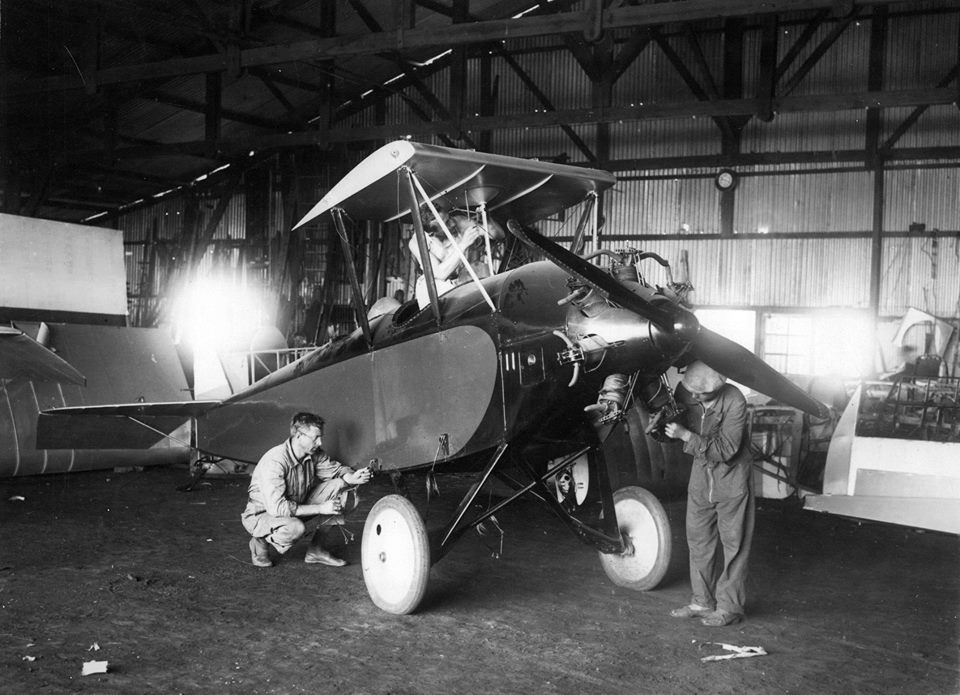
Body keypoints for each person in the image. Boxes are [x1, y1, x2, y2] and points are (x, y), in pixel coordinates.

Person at [664, 361, 753, 627]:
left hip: (731, 481)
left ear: (718, 387)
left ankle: (730, 607)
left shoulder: (734, 400)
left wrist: (685, 436)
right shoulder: (688, 393)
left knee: (734, 546)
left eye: (700, 393)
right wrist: (664, 429)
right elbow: (676, 421)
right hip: (701, 481)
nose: (693, 396)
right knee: (699, 542)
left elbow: (726, 450)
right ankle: (702, 602)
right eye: (691, 390)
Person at [241, 412, 373, 568]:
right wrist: (320, 508)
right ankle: (260, 541)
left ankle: (316, 550)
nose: (320, 442)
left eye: (320, 437)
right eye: (315, 437)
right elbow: (277, 508)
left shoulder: (314, 454)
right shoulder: (275, 461)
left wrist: (352, 477)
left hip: (296, 505)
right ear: (298, 436)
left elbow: (336, 471)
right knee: (295, 528)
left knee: (340, 487)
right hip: (264, 515)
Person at [409, 205, 502, 309]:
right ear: (431, 233)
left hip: (462, 278)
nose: (453, 223)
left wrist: (487, 218)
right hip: (436, 288)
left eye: (449, 218)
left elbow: (498, 235)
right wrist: (463, 244)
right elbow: (441, 274)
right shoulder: (417, 242)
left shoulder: (458, 221)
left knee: (483, 270)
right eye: (446, 223)